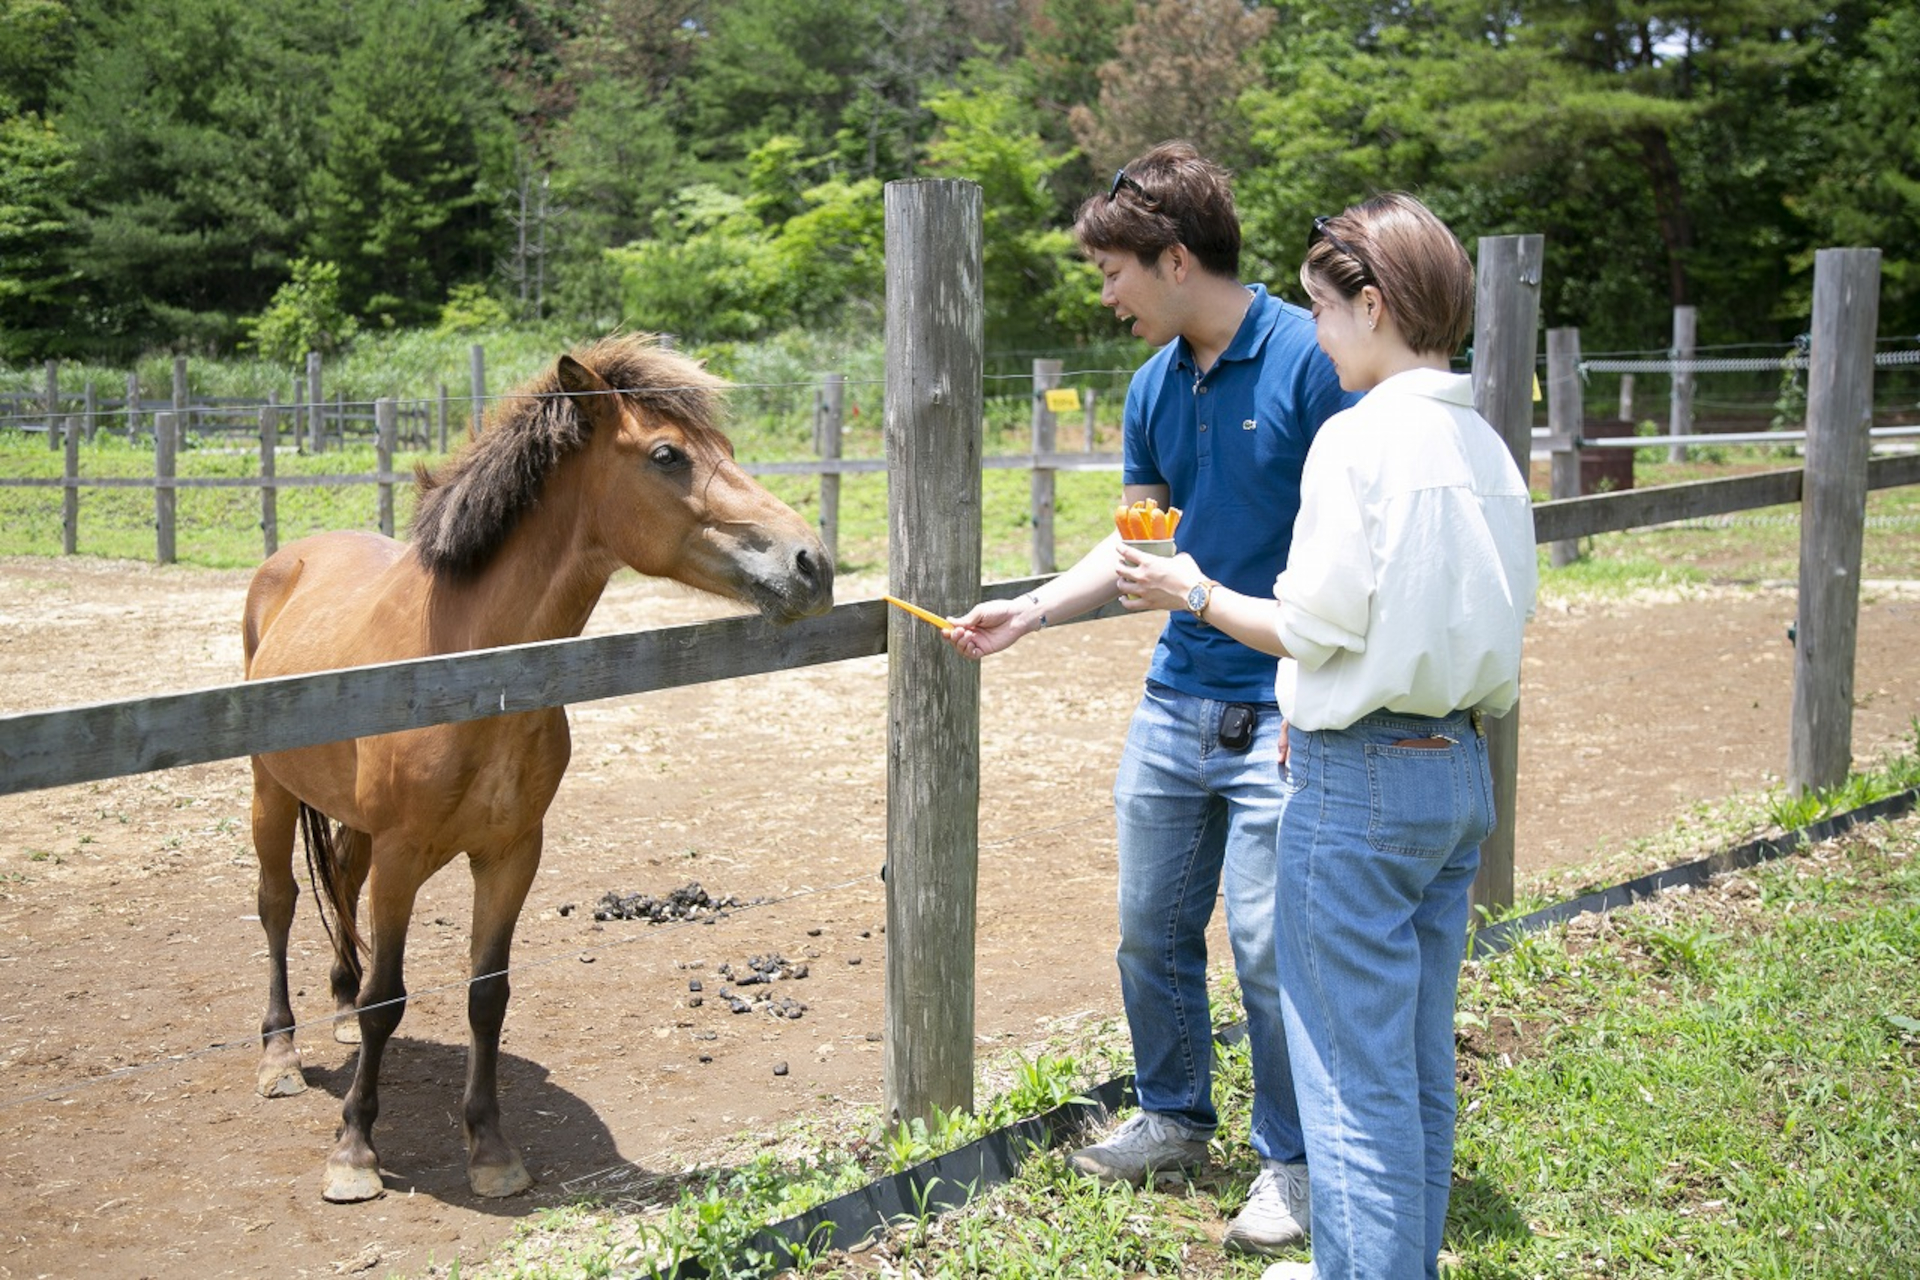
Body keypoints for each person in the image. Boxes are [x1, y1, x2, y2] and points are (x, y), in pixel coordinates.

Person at [1114, 192, 1538, 1280]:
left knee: (1348, 1070)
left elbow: (1305, 623)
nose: (1319, 337)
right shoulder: (1486, 440)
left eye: (1327, 313)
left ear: (1372, 303)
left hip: (1360, 781)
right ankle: (1388, 1256)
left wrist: (1195, 589)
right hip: (1460, 770)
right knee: (1409, 1056)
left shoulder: (1359, 442)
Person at [944, 140, 1356, 1256]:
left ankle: (1297, 1162)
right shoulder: (1151, 384)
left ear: (1175, 258)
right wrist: (1030, 608)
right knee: (1150, 926)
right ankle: (1173, 1113)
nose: (1107, 294)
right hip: (1178, 697)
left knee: (1271, 945)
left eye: (1115, 271)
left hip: (1285, 703)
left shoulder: (1311, 360)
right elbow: (1141, 547)